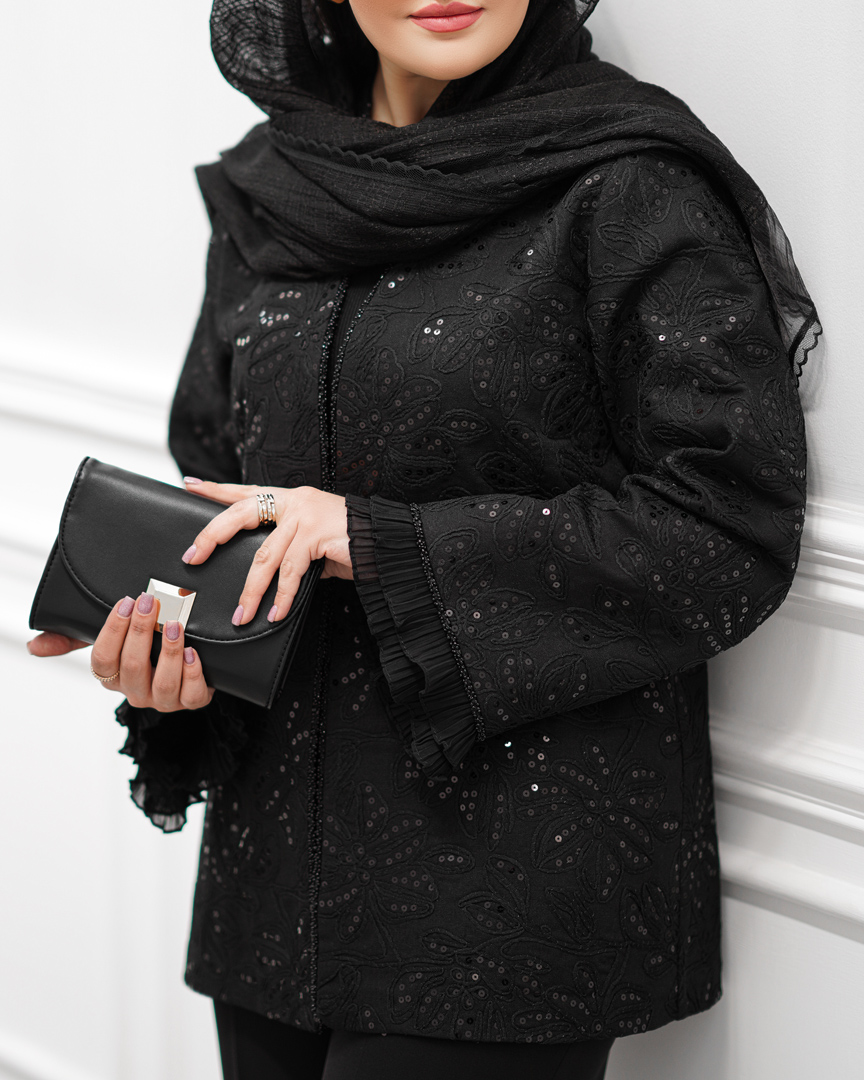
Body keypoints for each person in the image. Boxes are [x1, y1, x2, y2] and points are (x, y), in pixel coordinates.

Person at [28, 0, 820, 1077]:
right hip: (273, 877)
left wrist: (372, 538)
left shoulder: (628, 184)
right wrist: (174, 664)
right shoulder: (276, 187)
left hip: (508, 893)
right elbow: (223, 485)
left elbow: (729, 520)